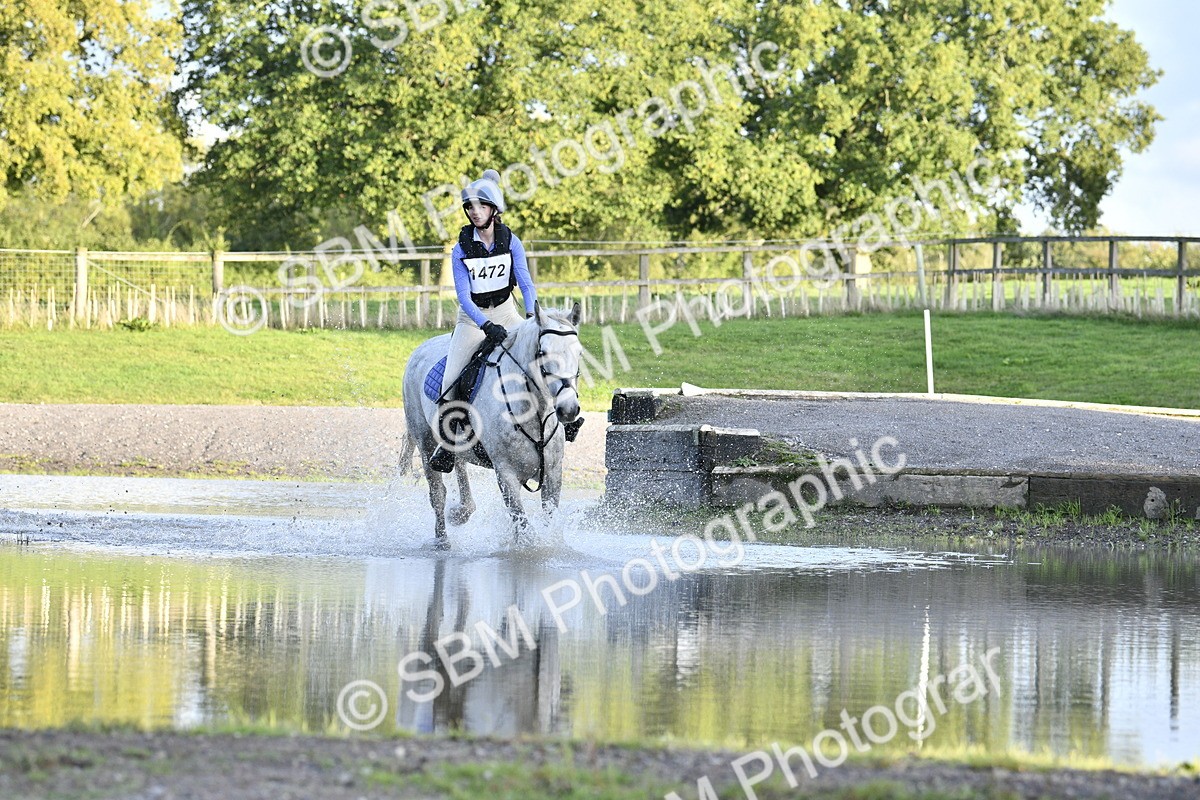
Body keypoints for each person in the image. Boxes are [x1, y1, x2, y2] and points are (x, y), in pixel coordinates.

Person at [428, 169, 536, 473]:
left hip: (506, 313)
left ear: (494, 210)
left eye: (481, 207)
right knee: (449, 383)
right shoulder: (461, 248)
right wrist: (485, 325)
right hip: (472, 320)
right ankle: (448, 446)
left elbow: (526, 284)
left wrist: (533, 316)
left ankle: (561, 420)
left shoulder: (511, 242)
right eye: (470, 207)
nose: (475, 212)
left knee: (542, 357)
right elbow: (463, 295)